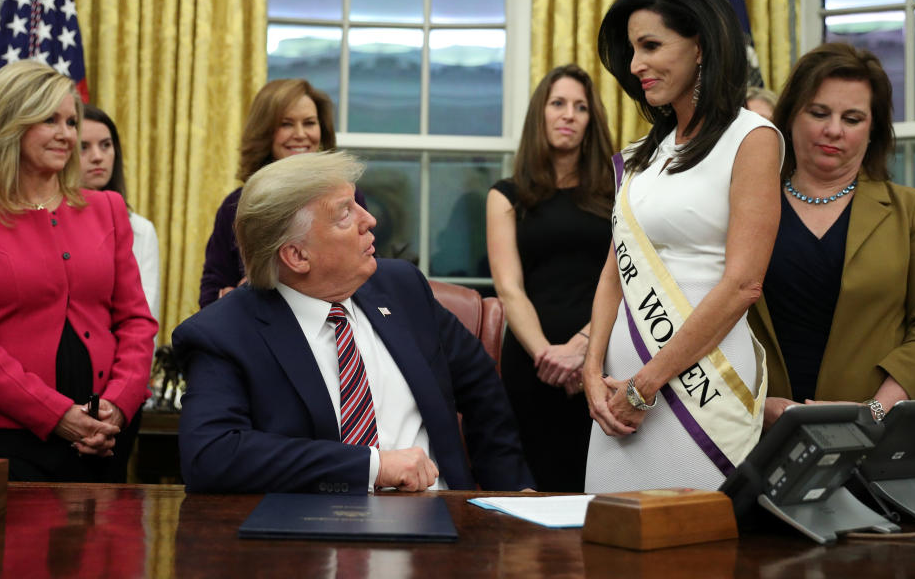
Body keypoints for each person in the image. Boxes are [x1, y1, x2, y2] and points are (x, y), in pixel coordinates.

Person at [175, 151, 534, 494]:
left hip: (440, 520)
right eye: (345, 213)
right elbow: (211, 455)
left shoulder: (403, 289)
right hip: (314, 540)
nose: (370, 219)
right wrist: (372, 467)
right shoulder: (226, 332)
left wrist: (511, 491)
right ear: (297, 255)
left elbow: (482, 386)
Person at [583, 0, 784, 493]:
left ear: (700, 46)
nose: (634, 65)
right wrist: (591, 369)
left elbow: (743, 284)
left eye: (651, 45)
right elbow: (613, 272)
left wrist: (646, 385)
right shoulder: (638, 157)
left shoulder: (752, 139)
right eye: (631, 50)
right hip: (616, 398)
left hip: (700, 393)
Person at [0, 60, 157, 482]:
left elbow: (136, 321)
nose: (67, 134)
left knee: (104, 548)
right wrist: (58, 415)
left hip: (105, 436)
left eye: (71, 121)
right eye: (49, 120)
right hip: (9, 438)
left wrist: (117, 407)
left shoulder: (107, 209)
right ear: (10, 124)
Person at [748, 42, 915, 427]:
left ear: (873, 128)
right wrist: (751, 409)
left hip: (874, 447)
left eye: (852, 118)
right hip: (750, 439)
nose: (833, 130)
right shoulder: (742, 208)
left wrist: (871, 414)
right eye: (819, 112)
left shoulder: (914, 212)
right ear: (791, 114)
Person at [486, 64, 614, 492]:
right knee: (531, 490)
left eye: (580, 107)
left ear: (591, 120)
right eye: (558, 103)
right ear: (540, 113)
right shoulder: (507, 195)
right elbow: (509, 288)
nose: (569, 115)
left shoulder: (619, 190)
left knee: (597, 487)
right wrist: (548, 357)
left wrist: (582, 350)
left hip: (604, 357)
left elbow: (629, 284)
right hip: (531, 362)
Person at [199, 79, 366, 308]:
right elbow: (210, 294)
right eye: (286, 124)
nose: (300, 134)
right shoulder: (236, 206)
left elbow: (367, 272)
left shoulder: (348, 200)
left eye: (309, 123)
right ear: (265, 132)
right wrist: (234, 297)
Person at [79, 104, 160, 323]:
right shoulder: (51, 222)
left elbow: (145, 315)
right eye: (83, 147)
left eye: (105, 145)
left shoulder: (141, 230)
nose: (97, 157)